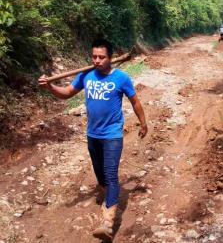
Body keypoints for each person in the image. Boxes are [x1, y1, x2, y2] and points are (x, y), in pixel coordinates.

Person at [38, 39, 148, 241]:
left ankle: (108, 221)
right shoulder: (86, 75)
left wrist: (143, 123)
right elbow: (68, 93)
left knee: (111, 174)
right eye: (94, 57)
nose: (96, 60)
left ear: (110, 58)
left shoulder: (121, 78)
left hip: (113, 135)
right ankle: (109, 194)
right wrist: (51, 87)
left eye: (101, 57)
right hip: (93, 134)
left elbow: (135, 101)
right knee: (100, 174)